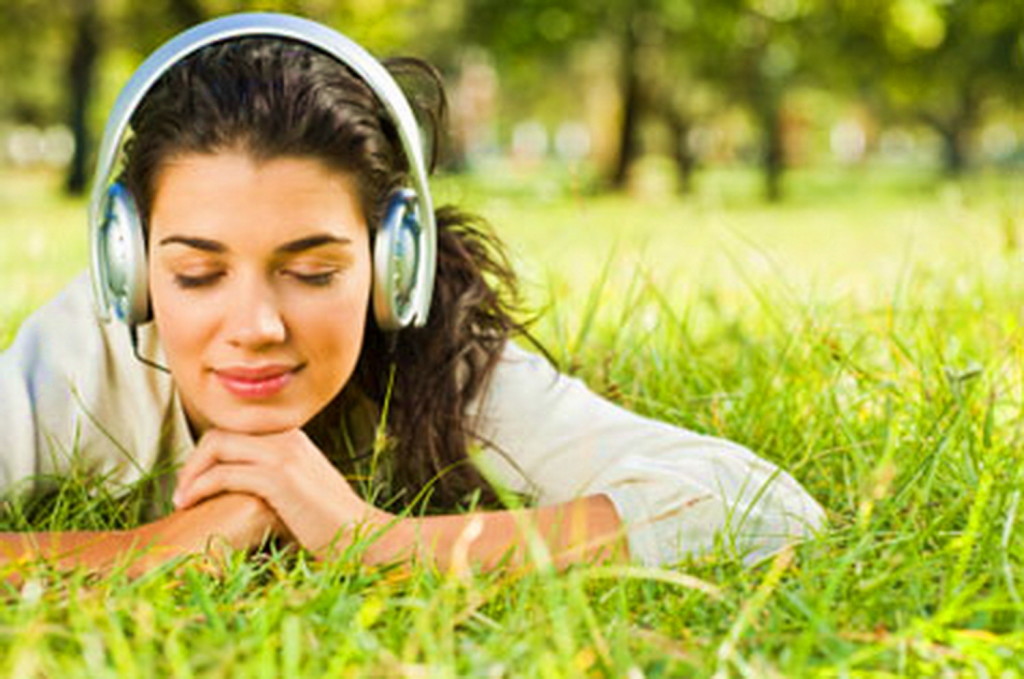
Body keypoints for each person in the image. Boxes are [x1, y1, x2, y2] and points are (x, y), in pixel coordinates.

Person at [0, 13, 824, 577]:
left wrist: (381, 540)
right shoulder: (76, 360)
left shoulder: (438, 365)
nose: (254, 327)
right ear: (130, 267)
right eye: (197, 273)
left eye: (315, 271)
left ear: (394, 264)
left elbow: (767, 510)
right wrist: (163, 548)